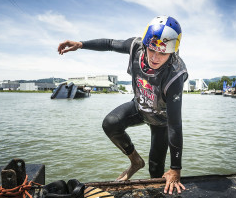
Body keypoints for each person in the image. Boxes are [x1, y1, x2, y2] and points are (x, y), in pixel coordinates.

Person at [58, 15, 188, 195]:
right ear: (146, 44)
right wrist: (81, 44)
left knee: (156, 170)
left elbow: (175, 124)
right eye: (152, 49)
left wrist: (176, 169)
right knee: (110, 123)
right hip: (140, 107)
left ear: (172, 52)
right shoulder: (136, 46)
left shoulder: (175, 74)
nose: (155, 57)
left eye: (163, 53)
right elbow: (110, 43)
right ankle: (135, 161)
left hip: (161, 120)